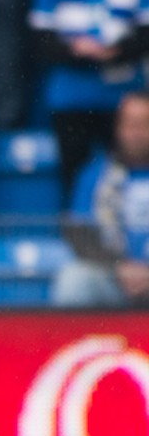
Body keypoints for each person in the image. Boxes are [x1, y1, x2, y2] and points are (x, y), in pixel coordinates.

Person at [28, 0, 149, 197]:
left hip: (120, 99)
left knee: (125, 175)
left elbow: (145, 33)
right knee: (74, 177)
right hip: (70, 97)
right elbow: (39, 36)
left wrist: (116, 51)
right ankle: (77, 228)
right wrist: (74, 50)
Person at [52, 90, 149, 308]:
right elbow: (79, 232)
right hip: (114, 279)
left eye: (145, 125)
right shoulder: (95, 175)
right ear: (118, 129)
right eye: (131, 125)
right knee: (74, 279)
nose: (137, 133)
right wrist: (119, 267)